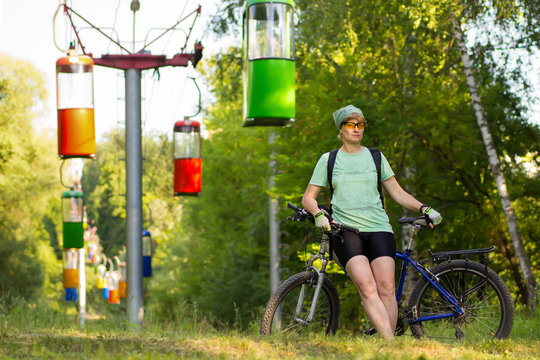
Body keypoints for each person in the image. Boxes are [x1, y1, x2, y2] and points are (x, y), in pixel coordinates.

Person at [302, 104, 442, 339]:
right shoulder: (329, 160)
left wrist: (423, 207)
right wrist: (318, 214)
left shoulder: (376, 157)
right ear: (340, 129)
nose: (356, 129)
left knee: (386, 288)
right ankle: (390, 346)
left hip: (379, 228)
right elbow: (308, 198)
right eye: (350, 124)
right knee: (367, 288)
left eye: (361, 125)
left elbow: (398, 193)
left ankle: (389, 345)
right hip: (345, 231)